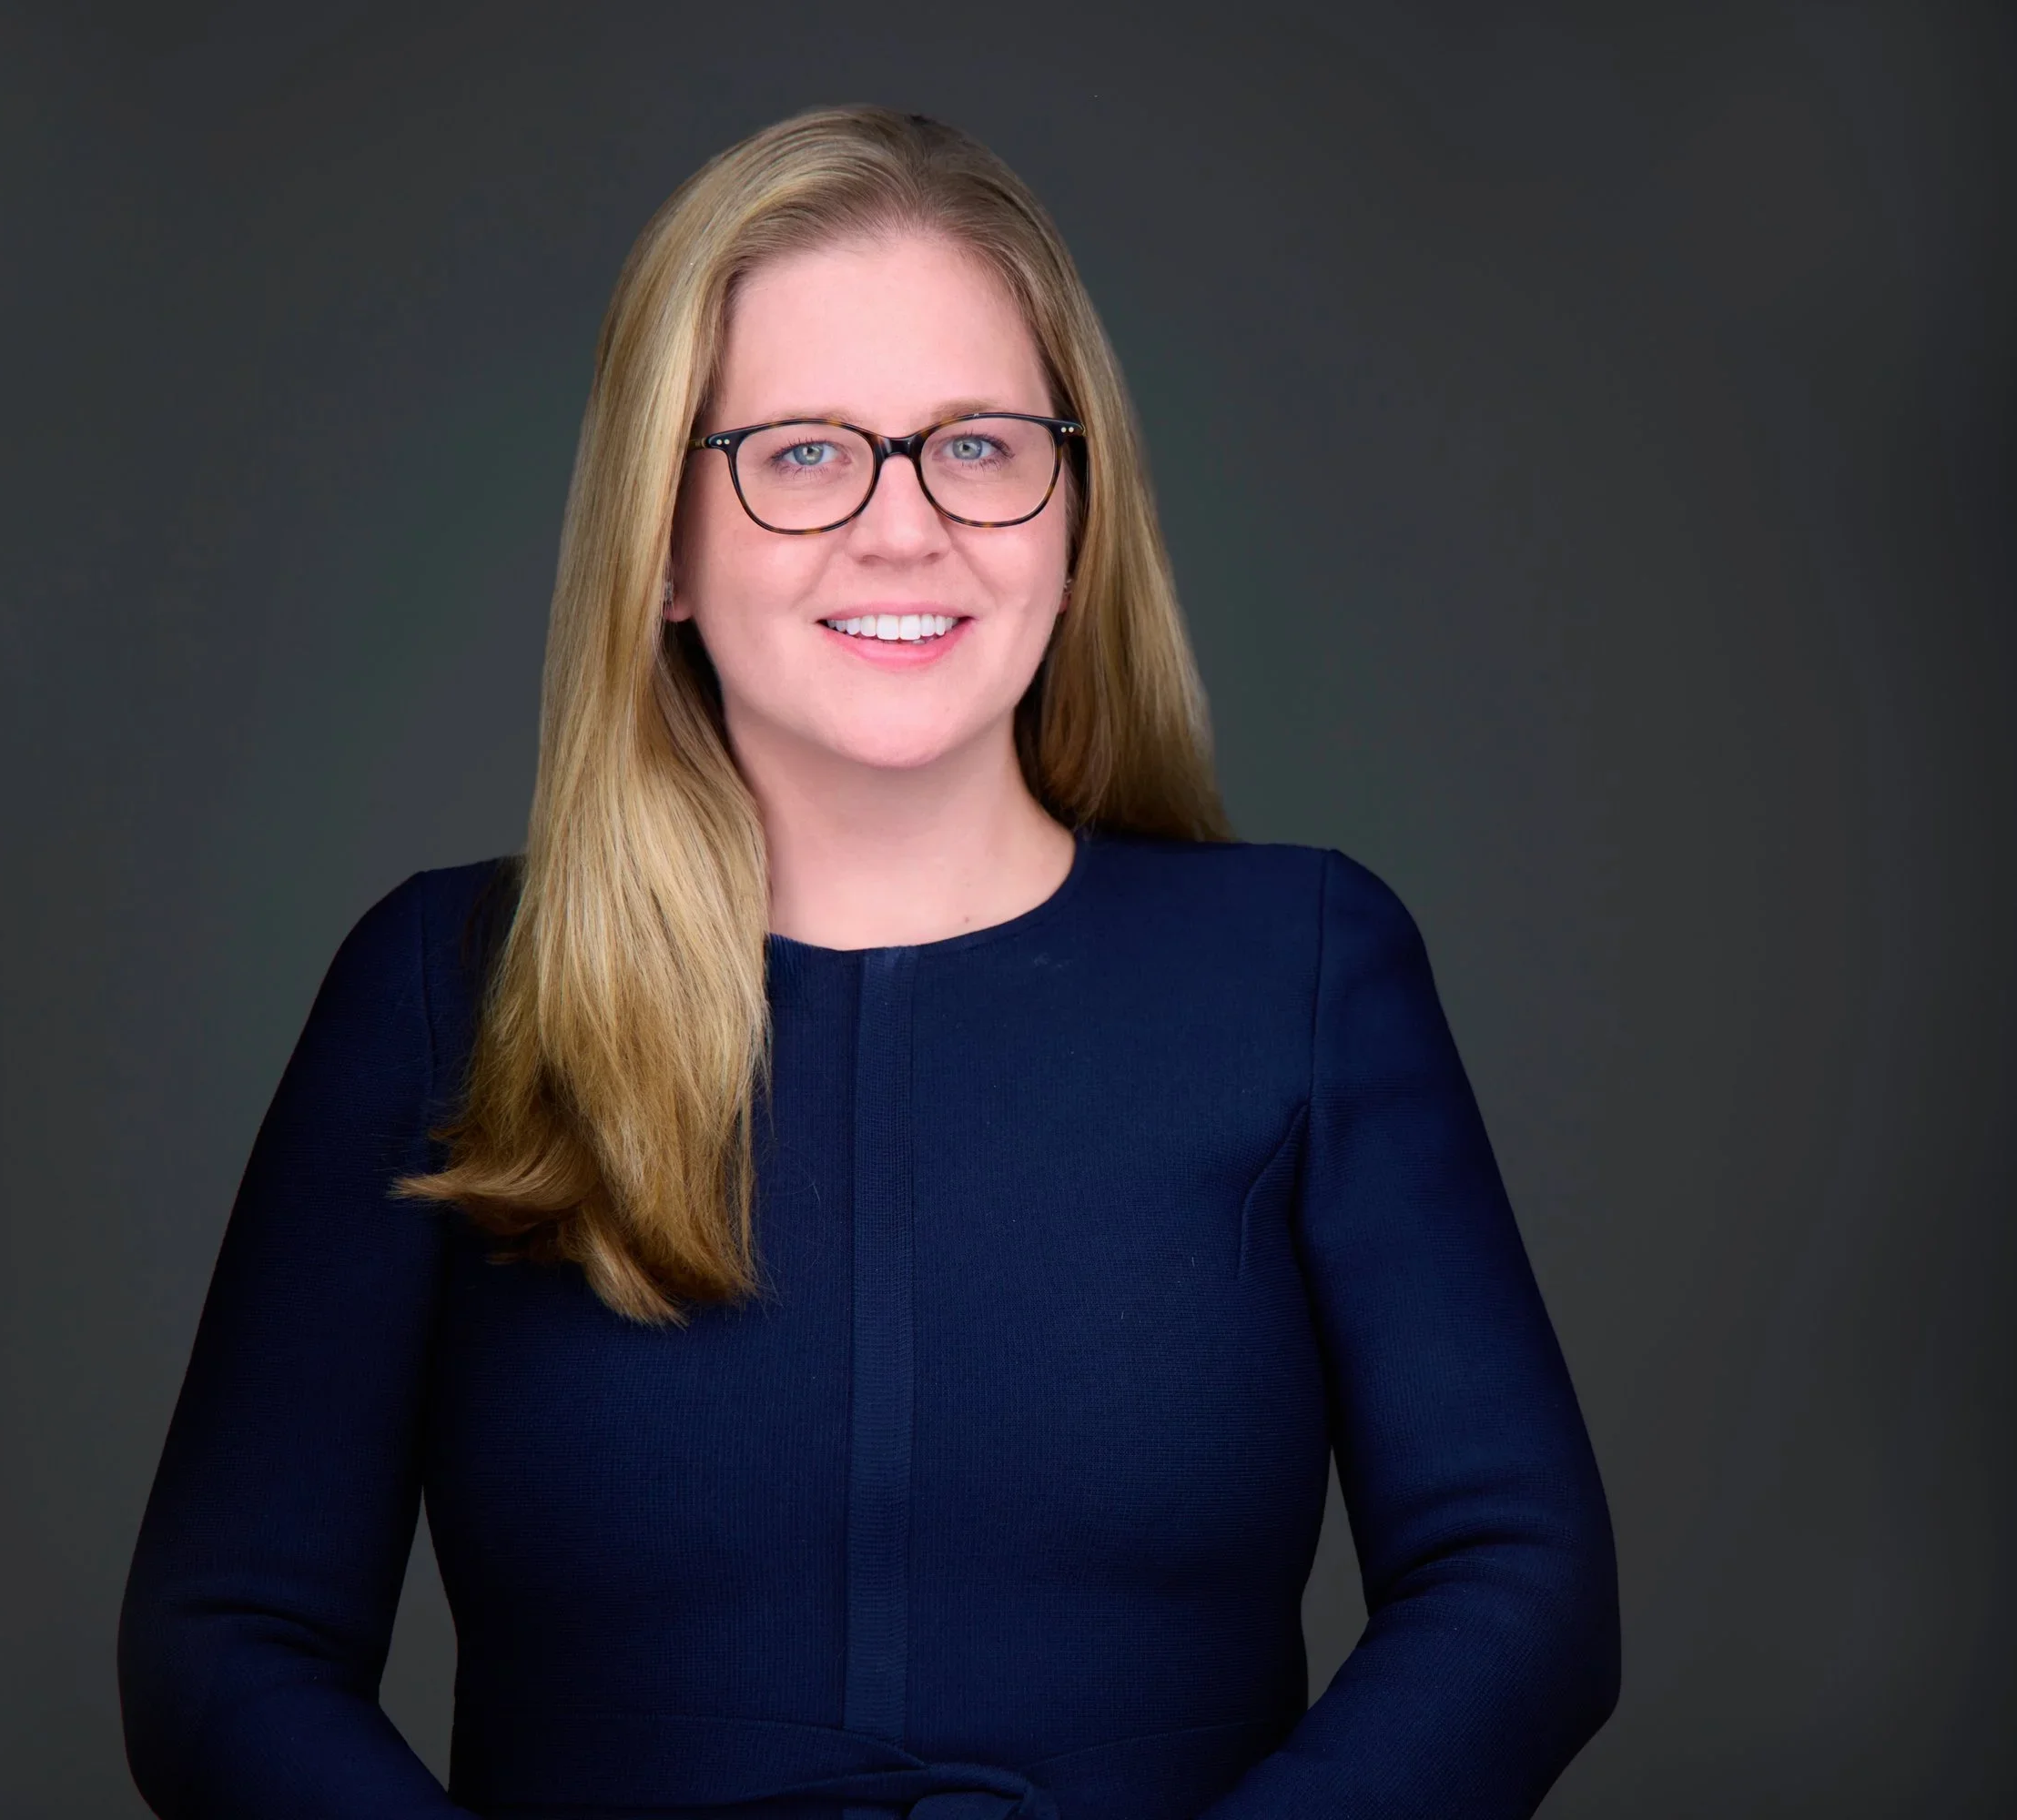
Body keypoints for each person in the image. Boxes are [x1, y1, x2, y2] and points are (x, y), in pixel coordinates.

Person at [117, 104, 1618, 1820]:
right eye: (803, 452)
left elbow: (1523, 1582)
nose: (905, 529)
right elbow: (223, 1644)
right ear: (662, 543)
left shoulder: (1309, 969)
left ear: (1076, 514)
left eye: (976, 446)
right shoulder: (443, 989)